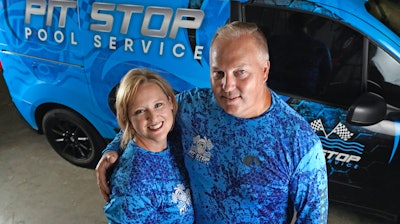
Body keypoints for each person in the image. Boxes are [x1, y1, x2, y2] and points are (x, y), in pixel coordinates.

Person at [97, 21, 328, 223]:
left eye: (240, 72)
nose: (227, 86)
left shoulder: (299, 142)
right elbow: (149, 117)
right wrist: (113, 148)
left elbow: (313, 219)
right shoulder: (193, 106)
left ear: (264, 70)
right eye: (218, 73)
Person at [102, 69, 194, 223]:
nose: (153, 117)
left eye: (158, 105)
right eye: (140, 111)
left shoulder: (173, 139)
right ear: (127, 118)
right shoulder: (133, 184)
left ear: (171, 101)